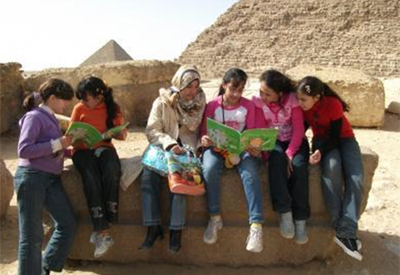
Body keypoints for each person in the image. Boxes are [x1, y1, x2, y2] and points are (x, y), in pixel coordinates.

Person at [139, 65, 206, 253]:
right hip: (164, 147)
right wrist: (169, 144)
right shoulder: (162, 102)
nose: (193, 92)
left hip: (187, 150)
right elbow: (152, 130)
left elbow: (203, 129)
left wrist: (197, 147)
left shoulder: (201, 101)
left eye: (196, 86)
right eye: (188, 86)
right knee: (147, 178)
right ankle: (153, 228)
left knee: (181, 183)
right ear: (179, 84)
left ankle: (176, 231)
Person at [296, 76, 364, 261]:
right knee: (332, 169)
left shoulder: (333, 104)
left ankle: (346, 231)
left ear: (317, 98)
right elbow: (299, 130)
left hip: (344, 139)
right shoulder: (303, 108)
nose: (299, 103)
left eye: (303, 99)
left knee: (356, 178)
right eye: (298, 98)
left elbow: (335, 136)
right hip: (321, 141)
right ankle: (341, 227)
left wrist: (319, 151)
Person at [14, 79, 76, 275]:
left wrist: (68, 150)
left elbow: (47, 147)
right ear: (52, 98)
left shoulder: (48, 117)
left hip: (50, 178)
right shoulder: (34, 117)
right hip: (32, 178)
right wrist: (59, 144)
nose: (66, 105)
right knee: (31, 237)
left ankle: (44, 266)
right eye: (64, 101)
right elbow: (24, 150)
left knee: (67, 223)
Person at [201, 68, 264, 253]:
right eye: (232, 89)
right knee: (210, 169)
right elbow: (205, 132)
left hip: (241, 149)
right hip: (217, 149)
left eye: (241, 90)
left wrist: (254, 146)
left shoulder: (248, 106)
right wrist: (205, 139)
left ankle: (256, 226)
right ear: (223, 86)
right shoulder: (212, 105)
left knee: (250, 173)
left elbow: (251, 131)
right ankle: (214, 217)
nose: (236, 94)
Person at [70, 76, 127, 258]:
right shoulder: (79, 108)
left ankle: (106, 219)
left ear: (99, 95)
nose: (83, 102)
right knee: (90, 176)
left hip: (104, 147)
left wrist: (115, 133)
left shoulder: (113, 108)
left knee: (112, 169)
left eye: (86, 98)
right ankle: (102, 232)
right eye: (81, 98)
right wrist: (80, 138)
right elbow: (71, 135)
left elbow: (122, 136)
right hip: (82, 151)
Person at [253, 69, 310, 244]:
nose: (263, 96)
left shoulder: (292, 100)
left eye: (267, 93)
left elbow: (299, 129)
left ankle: (300, 219)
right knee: (276, 163)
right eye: (261, 91)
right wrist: (263, 151)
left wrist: (290, 153)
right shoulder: (257, 102)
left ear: (279, 93)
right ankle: (285, 212)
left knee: (299, 167)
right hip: (273, 141)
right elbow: (262, 129)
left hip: (295, 140)